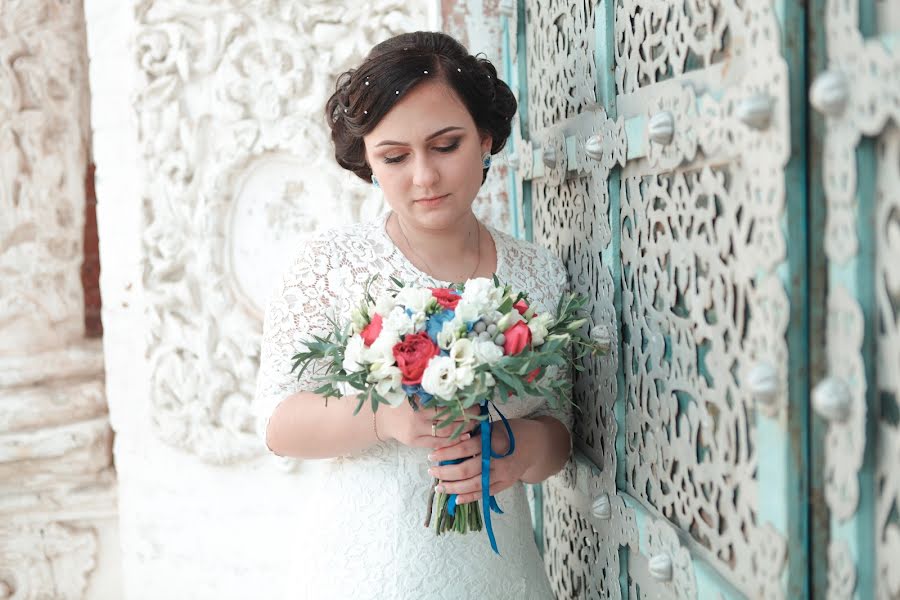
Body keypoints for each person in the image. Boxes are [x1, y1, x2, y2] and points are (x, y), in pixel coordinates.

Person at [253, 31, 572, 600]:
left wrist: (516, 446)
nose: (423, 177)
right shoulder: (334, 265)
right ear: (370, 162)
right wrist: (385, 419)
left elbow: (560, 434)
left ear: (486, 138)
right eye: (395, 157)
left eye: (446, 146)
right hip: (365, 572)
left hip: (498, 572)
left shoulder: (538, 274)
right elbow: (278, 425)